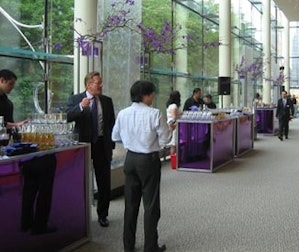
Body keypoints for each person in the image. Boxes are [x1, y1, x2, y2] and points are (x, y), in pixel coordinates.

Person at [112, 80, 173, 252]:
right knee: (151, 205)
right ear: (145, 95)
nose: (153, 96)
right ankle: (150, 246)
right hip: (148, 160)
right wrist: (170, 129)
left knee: (130, 205)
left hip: (130, 159)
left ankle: (128, 246)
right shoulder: (155, 114)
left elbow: (115, 136)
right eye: (152, 93)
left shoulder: (123, 113)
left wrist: (132, 139)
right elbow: (165, 140)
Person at [0, 69, 56, 235]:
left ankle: (28, 223)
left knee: (30, 183)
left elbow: (6, 122)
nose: (11, 87)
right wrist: (15, 125)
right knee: (43, 171)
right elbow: (3, 123)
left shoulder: (5, 99)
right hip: (5, 144)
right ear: (1, 80)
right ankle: (36, 224)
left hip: (9, 144)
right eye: (10, 84)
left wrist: (16, 125)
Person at [66, 71, 115, 228]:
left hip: (102, 145)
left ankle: (103, 215)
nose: (101, 86)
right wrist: (81, 106)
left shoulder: (107, 101)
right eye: (98, 83)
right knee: (81, 181)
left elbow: (111, 125)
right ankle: (80, 215)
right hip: (84, 146)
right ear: (88, 85)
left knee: (104, 182)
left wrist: (111, 145)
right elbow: (66, 116)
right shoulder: (76, 99)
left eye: (101, 83)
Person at [166, 90, 181, 155]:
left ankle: (173, 159)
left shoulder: (170, 105)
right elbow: (174, 117)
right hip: (174, 125)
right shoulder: (174, 106)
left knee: (173, 143)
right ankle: (174, 160)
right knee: (174, 143)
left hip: (171, 124)